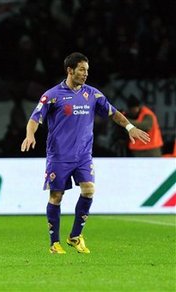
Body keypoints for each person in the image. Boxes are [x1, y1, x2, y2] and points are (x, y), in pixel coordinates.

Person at [20, 52, 150, 254]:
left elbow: (113, 112)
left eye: (87, 70)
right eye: (81, 69)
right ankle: (54, 243)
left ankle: (75, 236)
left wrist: (130, 128)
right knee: (56, 196)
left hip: (83, 156)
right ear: (70, 70)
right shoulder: (52, 95)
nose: (85, 74)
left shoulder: (93, 94)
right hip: (59, 156)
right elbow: (35, 118)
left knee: (89, 190)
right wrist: (30, 135)